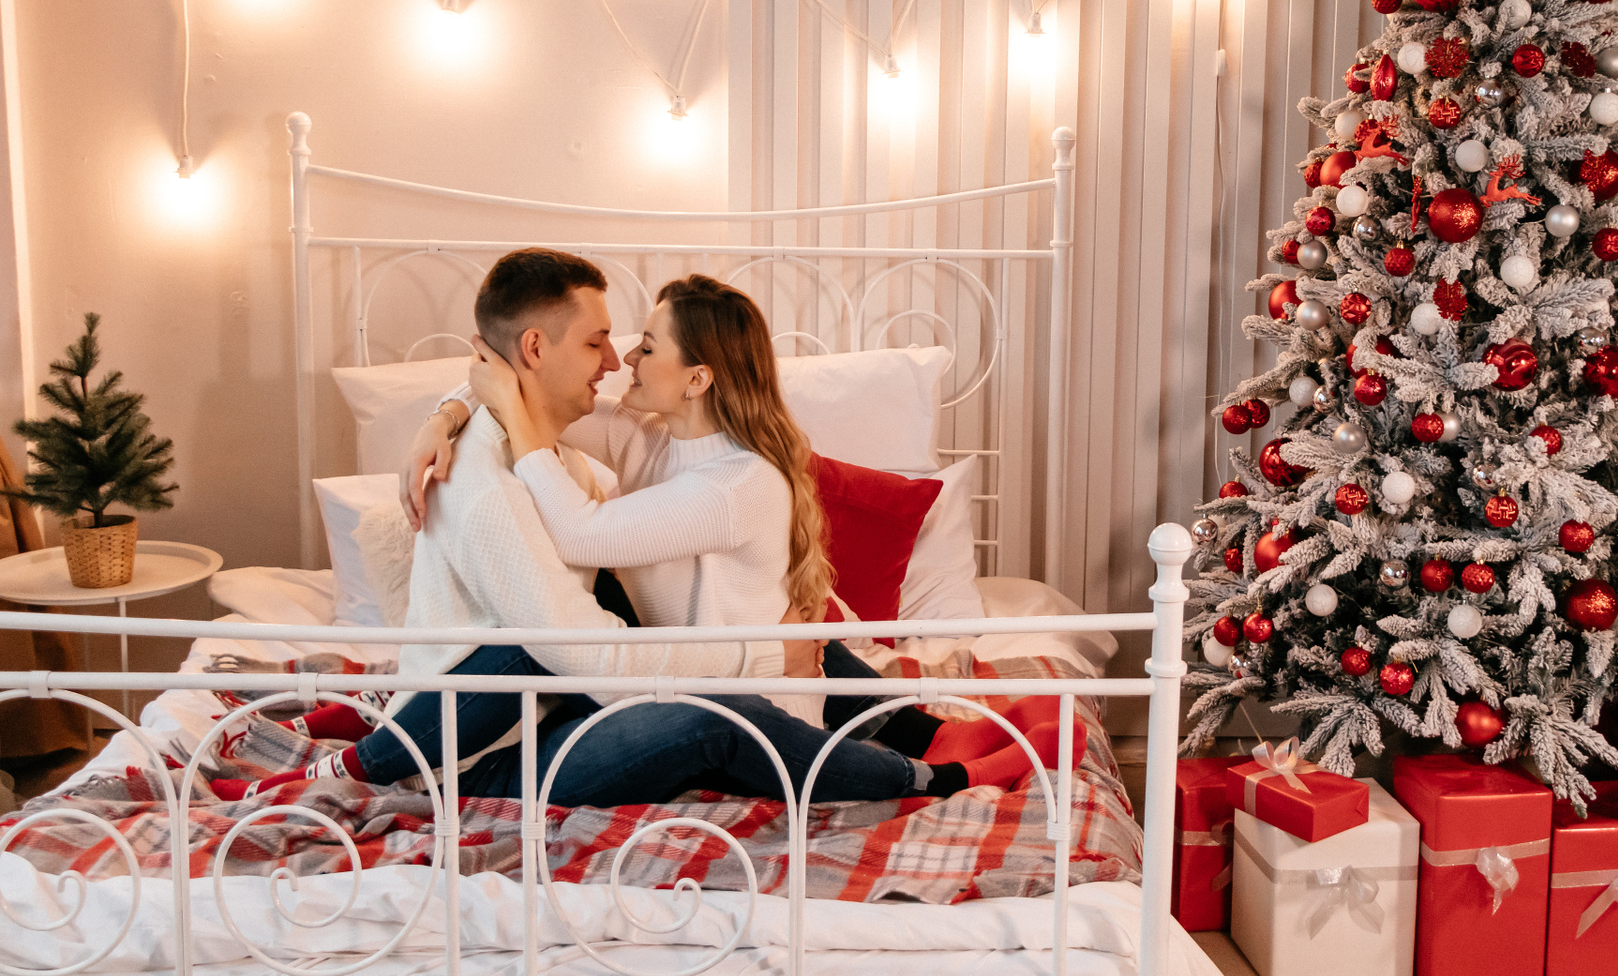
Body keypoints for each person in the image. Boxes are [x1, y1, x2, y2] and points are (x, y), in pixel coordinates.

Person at [217, 251, 1075, 806]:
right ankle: (925, 744)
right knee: (670, 655)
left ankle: (927, 755)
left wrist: (501, 414)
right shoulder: (634, 439)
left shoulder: (726, 480)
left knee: (737, 675)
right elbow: (511, 390)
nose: (618, 359)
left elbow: (575, 517)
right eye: (602, 342)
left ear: (696, 379)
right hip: (607, 699)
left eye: (641, 347)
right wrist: (447, 412)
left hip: (703, 689)